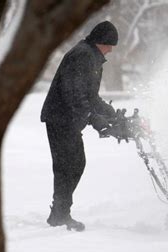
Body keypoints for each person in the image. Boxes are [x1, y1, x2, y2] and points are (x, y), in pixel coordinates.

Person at [40, 21, 119, 231]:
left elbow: (90, 96)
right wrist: (94, 118)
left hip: (67, 119)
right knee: (70, 165)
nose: (111, 49)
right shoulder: (83, 55)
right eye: (109, 44)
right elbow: (74, 93)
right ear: (100, 41)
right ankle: (60, 214)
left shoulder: (92, 57)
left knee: (72, 165)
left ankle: (59, 212)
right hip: (60, 118)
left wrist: (108, 113)